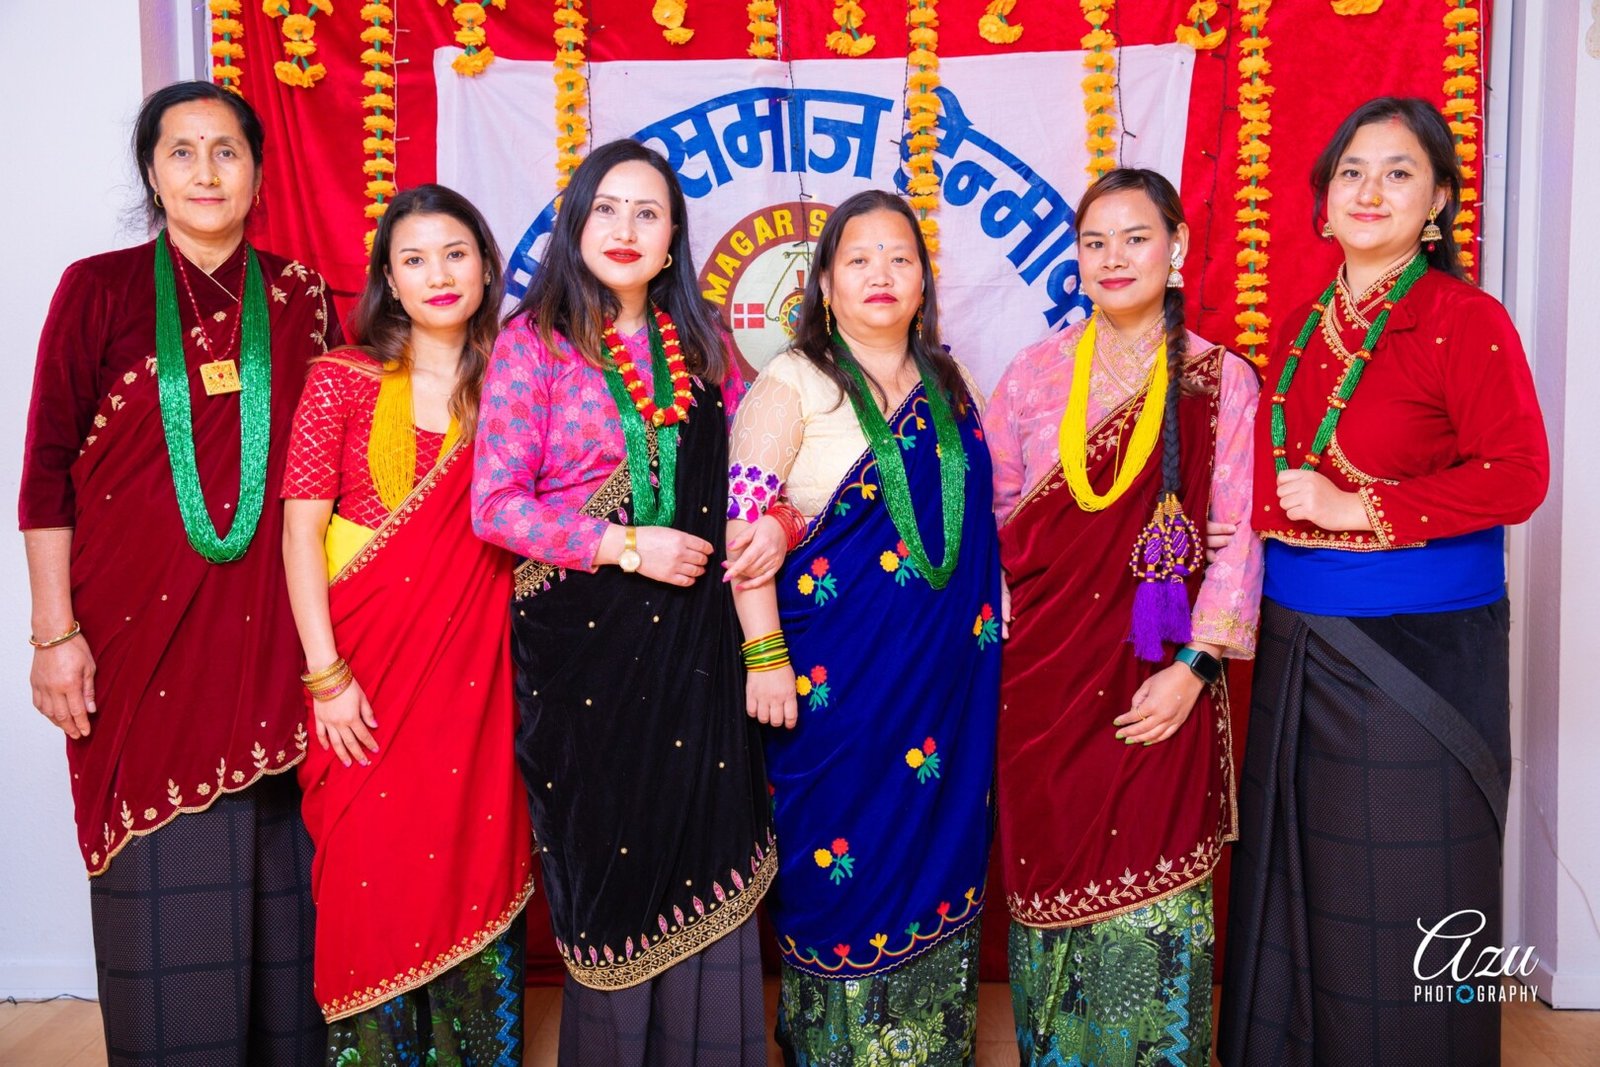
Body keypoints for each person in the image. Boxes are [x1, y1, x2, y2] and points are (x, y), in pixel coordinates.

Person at [1218, 97, 1548, 1067]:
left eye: (1398, 172)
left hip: (1413, 660)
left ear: (1437, 199)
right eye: (1350, 172)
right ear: (1323, 200)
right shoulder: (1302, 323)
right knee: (1302, 889)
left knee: (1407, 898)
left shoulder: (1464, 320)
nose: (1369, 191)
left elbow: (1518, 476)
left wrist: (1355, 507)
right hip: (1297, 642)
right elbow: (1278, 482)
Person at [19, 80, 334, 1061]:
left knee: (287, 883)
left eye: (226, 150)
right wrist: (54, 634)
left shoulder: (300, 297)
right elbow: (44, 473)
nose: (206, 171)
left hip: (276, 636)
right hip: (133, 638)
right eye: (182, 151)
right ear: (152, 174)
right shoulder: (99, 289)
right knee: (164, 901)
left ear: (257, 172)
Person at [471, 138, 785, 1067]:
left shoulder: (705, 344)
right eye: (606, 208)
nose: (625, 228)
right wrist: (625, 544)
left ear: (673, 234)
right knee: (608, 869)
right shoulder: (533, 342)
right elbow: (495, 506)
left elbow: (756, 478)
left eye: (647, 213)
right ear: (576, 222)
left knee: (704, 849)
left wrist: (780, 524)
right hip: (584, 657)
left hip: (696, 652)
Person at [987, 167, 1263, 1066]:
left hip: (1161, 678)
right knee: (1052, 890)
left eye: (1136, 237)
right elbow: (993, 523)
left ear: (1176, 248)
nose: (1114, 258)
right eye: (1095, 242)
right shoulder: (1032, 376)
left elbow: (1240, 536)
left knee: (1154, 891)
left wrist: (1195, 669)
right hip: (1043, 684)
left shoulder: (1221, 381)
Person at [727, 190, 1001, 1065]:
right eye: (858, 258)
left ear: (922, 282)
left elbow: (985, 525)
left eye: (899, 257)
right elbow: (746, 526)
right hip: (831, 687)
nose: (880, 273)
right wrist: (764, 654)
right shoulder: (792, 382)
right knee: (838, 861)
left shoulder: (952, 384)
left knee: (941, 845)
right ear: (825, 284)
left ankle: (928, 1045)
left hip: (948, 684)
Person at [280, 184, 534, 1061]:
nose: (438, 274)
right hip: (363, 685)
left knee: (473, 867)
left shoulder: (518, 381)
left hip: (480, 688)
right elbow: (301, 535)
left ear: (487, 267)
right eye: (414, 259)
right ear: (389, 278)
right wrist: (327, 677)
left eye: (455, 254)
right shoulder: (341, 381)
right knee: (368, 880)